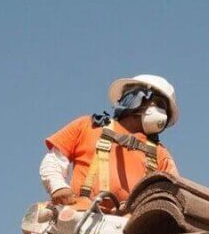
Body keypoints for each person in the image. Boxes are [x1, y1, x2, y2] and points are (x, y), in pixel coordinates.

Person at [41, 74, 180, 211]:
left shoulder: (160, 153)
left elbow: (174, 193)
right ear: (135, 98)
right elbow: (53, 161)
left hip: (131, 227)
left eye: (165, 109)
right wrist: (58, 186)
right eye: (159, 104)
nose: (162, 114)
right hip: (83, 216)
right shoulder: (88, 126)